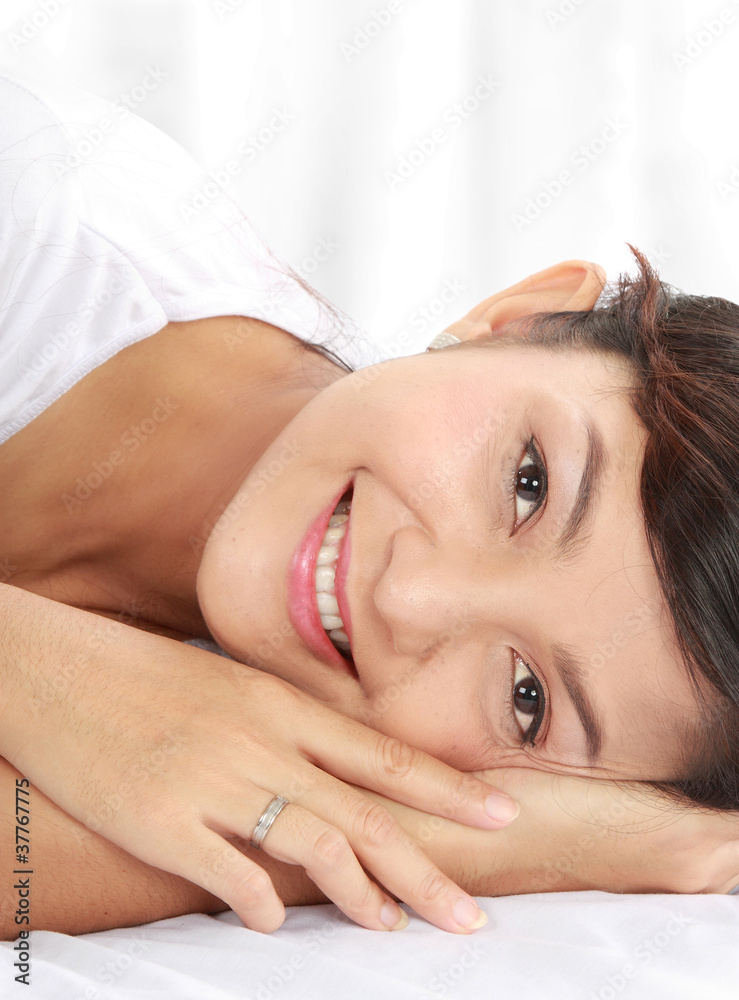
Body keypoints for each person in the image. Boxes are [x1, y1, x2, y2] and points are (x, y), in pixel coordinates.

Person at [1, 68, 738, 942]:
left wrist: (394, 833)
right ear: (517, 316)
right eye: (528, 483)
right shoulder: (32, 215)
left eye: (527, 698)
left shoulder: (276, 687)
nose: (407, 598)